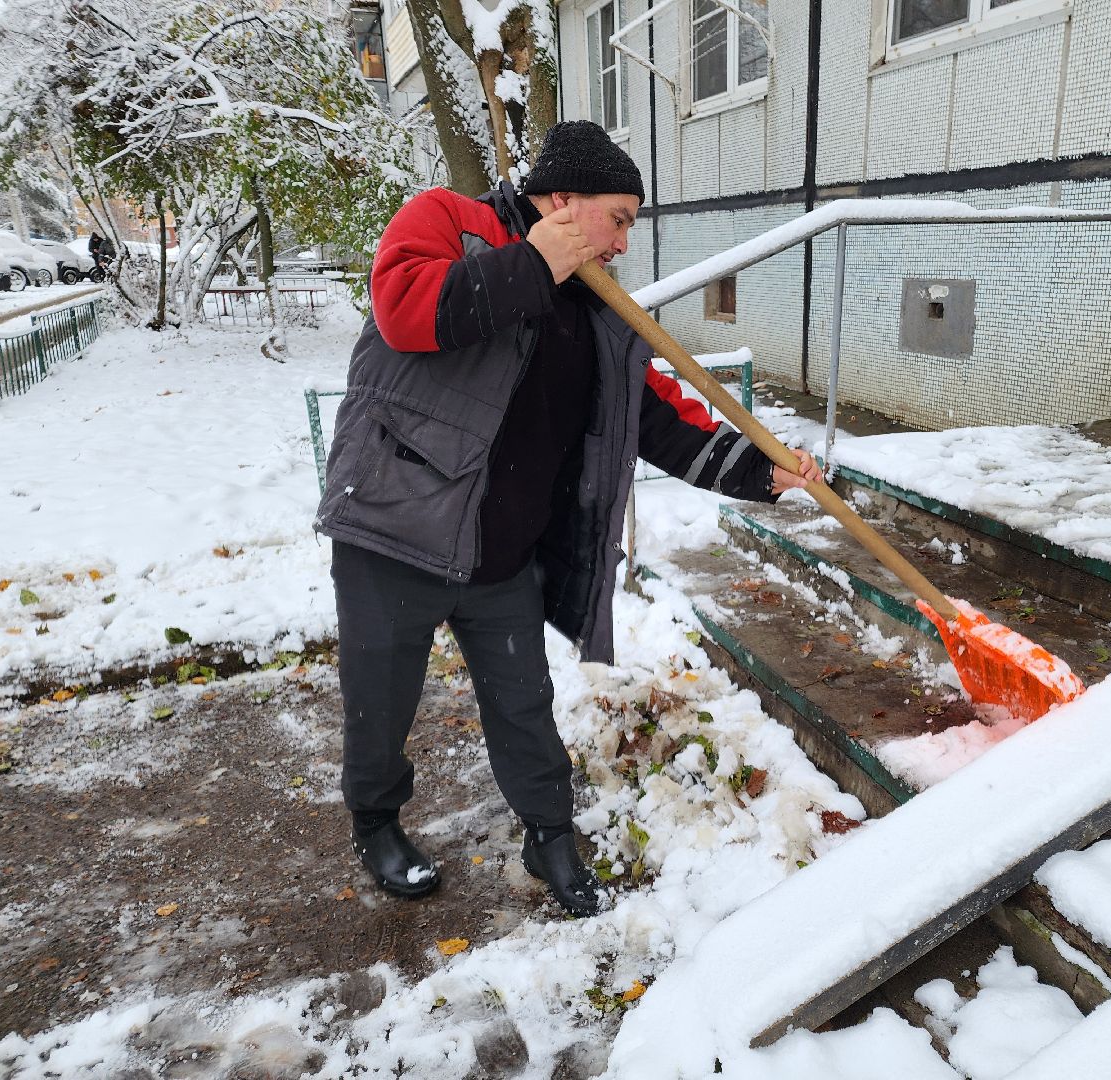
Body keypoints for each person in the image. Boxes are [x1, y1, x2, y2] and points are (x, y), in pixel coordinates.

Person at [314, 120, 822, 916]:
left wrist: (763, 469)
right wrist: (535, 263)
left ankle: (549, 832)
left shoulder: (601, 309)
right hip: (396, 532)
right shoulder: (450, 222)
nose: (623, 244)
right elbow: (406, 310)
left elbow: (657, 419)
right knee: (381, 702)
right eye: (617, 219)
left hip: (501, 555)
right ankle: (376, 820)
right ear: (561, 201)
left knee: (523, 702)